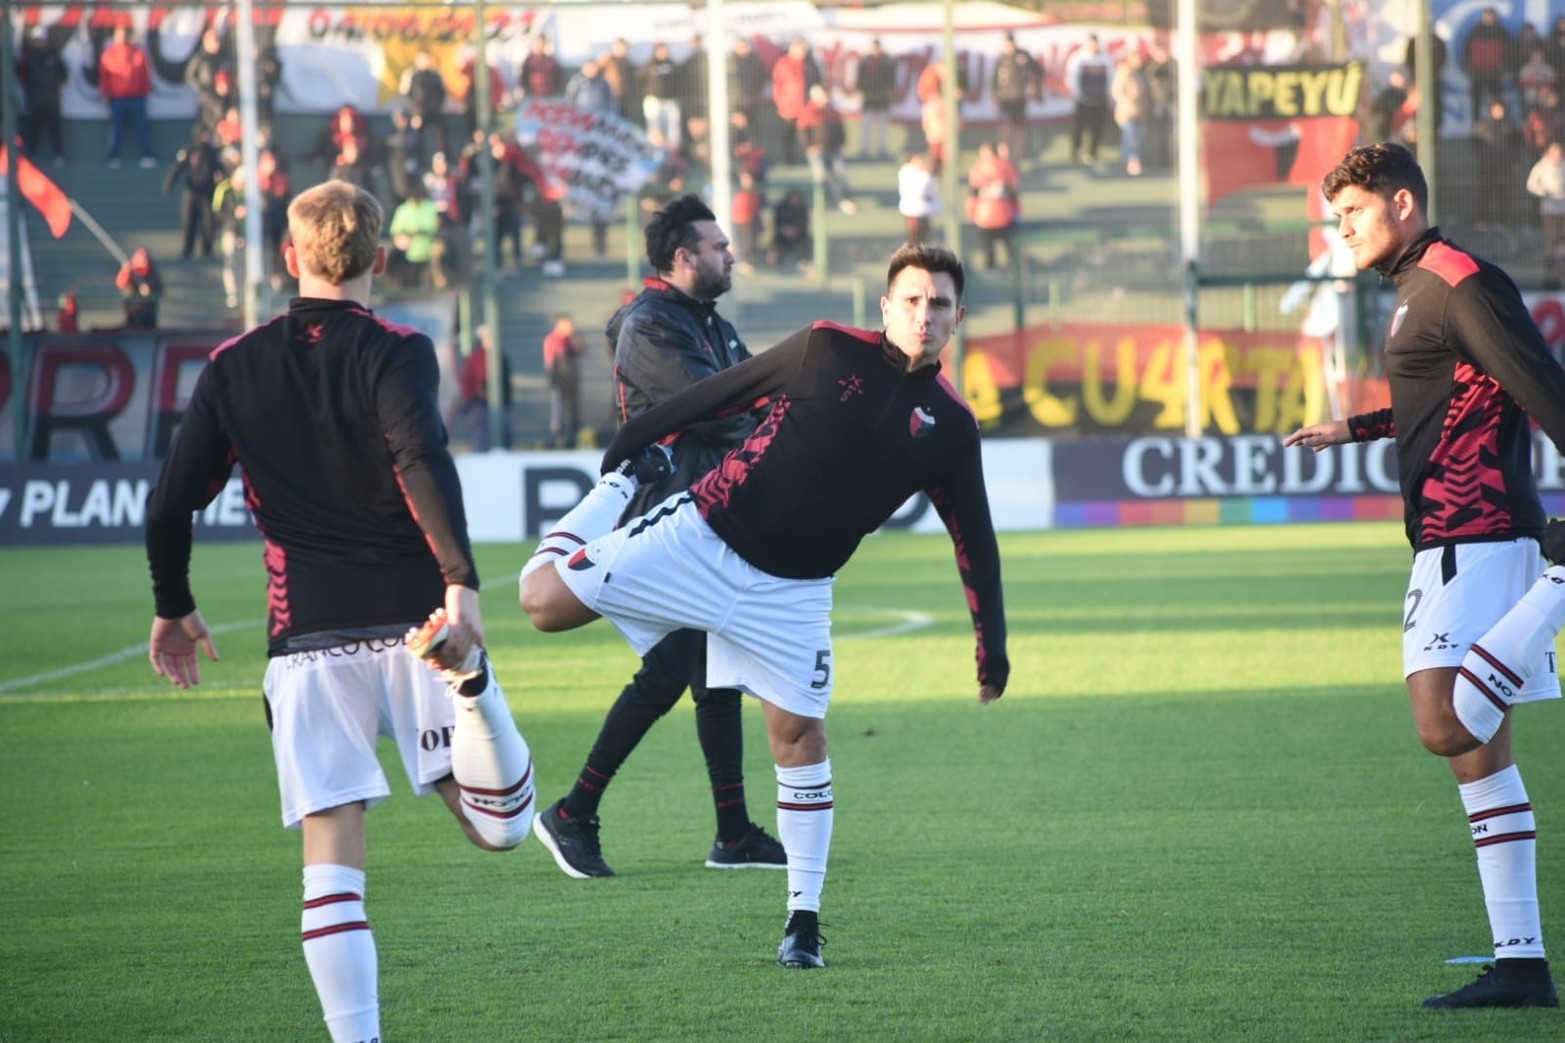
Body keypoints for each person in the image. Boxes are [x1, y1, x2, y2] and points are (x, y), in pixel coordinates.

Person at [518, 242, 1008, 968]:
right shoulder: (825, 349)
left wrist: (989, 646)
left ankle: (802, 924)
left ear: (957, 317)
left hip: (795, 593)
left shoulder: (951, 425)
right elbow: (725, 392)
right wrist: (632, 444)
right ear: (885, 306)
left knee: (800, 738)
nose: (923, 313)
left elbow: (974, 536)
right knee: (542, 603)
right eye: (910, 299)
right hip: (704, 535)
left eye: (938, 303)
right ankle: (616, 499)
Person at [144, 181, 536, 1043]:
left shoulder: (232, 364)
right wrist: (460, 584)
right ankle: (473, 687)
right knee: (502, 832)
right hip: (415, 627)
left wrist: (174, 606)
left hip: (306, 640)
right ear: (382, 260)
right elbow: (420, 458)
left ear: (289, 258)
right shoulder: (398, 348)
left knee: (331, 861)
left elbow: (169, 504)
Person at [1284, 141, 1565, 1011]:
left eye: (1352, 214)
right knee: (1478, 761)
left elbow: (1537, 383)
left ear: (1401, 204)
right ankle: (1520, 963)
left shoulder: (1454, 279)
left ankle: (1561, 584)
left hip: (1474, 532)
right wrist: (1358, 427)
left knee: (1444, 721)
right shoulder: (1415, 291)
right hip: (1453, 534)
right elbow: (1442, 395)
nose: (1342, 231)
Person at [529, 195, 782, 880]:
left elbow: (763, 395)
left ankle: (732, 832)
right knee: (675, 664)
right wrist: (767, 419)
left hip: (706, 514)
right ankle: (572, 812)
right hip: (662, 517)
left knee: (713, 669)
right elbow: (725, 407)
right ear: (682, 256)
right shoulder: (648, 326)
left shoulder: (709, 324)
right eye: (718, 245)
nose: (729, 254)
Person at [98, 24, 156, 168]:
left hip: (137, 98)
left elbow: (144, 74)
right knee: (116, 129)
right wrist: (105, 93)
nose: (122, 38)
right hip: (117, 99)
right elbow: (105, 76)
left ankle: (146, 154)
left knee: (141, 127)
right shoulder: (109, 55)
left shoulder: (138, 54)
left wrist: (146, 90)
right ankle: (113, 156)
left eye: (124, 34)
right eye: (119, 34)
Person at [162, 126, 224, 260]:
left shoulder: (213, 153)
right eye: (204, 134)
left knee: (208, 223)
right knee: (189, 222)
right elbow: (178, 168)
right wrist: (170, 184)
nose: (206, 137)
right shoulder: (190, 150)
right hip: (191, 193)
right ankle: (187, 249)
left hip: (207, 194)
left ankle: (207, 250)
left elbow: (220, 171)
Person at [19, 27, 68, 166]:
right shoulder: (27, 57)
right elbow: (22, 76)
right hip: (34, 99)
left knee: (55, 129)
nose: (39, 42)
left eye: (41, 39)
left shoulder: (53, 56)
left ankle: (59, 155)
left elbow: (64, 74)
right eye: (37, 40)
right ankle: (31, 156)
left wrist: (54, 85)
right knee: (33, 129)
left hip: (52, 100)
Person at [966, 142, 1019, 269]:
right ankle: (1013, 266)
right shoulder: (1006, 167)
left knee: (989, 247)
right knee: (1008, 245)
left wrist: (971, 212)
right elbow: (1014, 190)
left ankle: (991, 268)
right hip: (1003, 216)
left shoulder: (978, 169)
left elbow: (973, 194)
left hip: (987, 217)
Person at [1066, 33, 1114, 165]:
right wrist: (1077, 94)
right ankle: (1074, 153)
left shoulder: (1106, 58)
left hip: (1100, 99)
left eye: (1096, 43)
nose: (1094, 46)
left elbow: (1111, 77)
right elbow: (1072, 77)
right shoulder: (1078, 58)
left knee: (1097, 128)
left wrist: (1107, 94)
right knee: (1079, 128)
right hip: (1083, 100)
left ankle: (1091, 154)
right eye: (1091, 43)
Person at [991, 32, 1038, 163]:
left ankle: (1015, 162)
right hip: (1005, 100)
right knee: (1005, 131)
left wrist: (1027, 62)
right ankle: (1004, 162)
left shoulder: (1023, 55)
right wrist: (995, 97)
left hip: (1019, 99)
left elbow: (1038, 71)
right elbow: (994, 80)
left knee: (1018, 131)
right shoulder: (1001, 58)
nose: (1009, 47)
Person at [1527, 140, 1565, 286]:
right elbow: (1531, 184)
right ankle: (1550, 276)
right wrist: (1544, 192)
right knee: (1551, 240)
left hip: (1563, 209)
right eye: (1554, 150)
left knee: (1562, 241)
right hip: (1549, 210)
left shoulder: (1563, 165)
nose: (1557, 154)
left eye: (1559, 150)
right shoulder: (1542, 165)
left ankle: (1562, 274)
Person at [543, 313, 583, 448]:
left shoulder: (571, 339)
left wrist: (573, 336)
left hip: (572, 380)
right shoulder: (552, 340)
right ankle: (559, 436)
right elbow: (550, 361)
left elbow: (581, 349)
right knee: (558, 409)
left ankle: (574, 434)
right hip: (559, 380)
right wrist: (553, 379)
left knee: (573, 409)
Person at [1111, 49, 1154, 177]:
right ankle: (1130, 161)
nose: (1138, 61)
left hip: (1141, 112)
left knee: (1139, 137)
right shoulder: (1123, 72)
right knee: (1130, 137)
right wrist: (1129, 101)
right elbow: (1117, 91)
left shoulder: (1141, 73)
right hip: (1127, 112)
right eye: (1136, 58)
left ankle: (1134, 160)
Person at [854, 38, 898, 160]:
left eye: (877, 47)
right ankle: (864, 149)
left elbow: (892, 80)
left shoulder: (887, 61)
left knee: (883, 127)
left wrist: (888, 91)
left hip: (883, 98)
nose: (876, 50)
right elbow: (859, 78)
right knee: (866, 126)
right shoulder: (865, 61)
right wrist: (862, 90)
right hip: (868, 98)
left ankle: (882, 148)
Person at [897, 151, 942, 244]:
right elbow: (921, 189)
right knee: (914, 238)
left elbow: (932, 189)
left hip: (925, 210)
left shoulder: (926, 173)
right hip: (913, 210)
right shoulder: (907, 171)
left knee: (923, 238)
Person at [116, 246, 162, 328]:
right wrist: (125, 271)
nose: (145, 262)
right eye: (143, 260)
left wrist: (150, 291)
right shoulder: (130, 271)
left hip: (149, 312)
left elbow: (159, 289)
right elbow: (121, 284)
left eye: (146, 260)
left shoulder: (152, 273)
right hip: (133, 308)